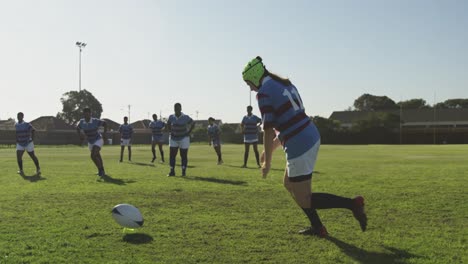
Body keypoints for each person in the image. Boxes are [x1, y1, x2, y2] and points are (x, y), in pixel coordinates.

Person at [242, 56, 367, 237]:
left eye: (249, 83)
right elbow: (289, 120)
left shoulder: (263, 92)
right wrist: (273, 148)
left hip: (299, 143)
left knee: (304, 198)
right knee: (289, 184)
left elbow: (268, 129)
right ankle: (318, 227)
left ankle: (352, 204)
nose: (250, 88)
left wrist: (267, 162)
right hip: (309, 134)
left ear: (254, 77)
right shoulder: (284, 84)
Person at [76, 108, 107, 177]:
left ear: (90, 114)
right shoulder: (81, 122)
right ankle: (101, 171)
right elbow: (77, 127)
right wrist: (80, 135)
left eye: (88, 113)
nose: (87, 115)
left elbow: (104, 123)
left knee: (93, 155)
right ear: (83, 114)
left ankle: (101, 171)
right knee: (97, 156)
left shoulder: (95, 121)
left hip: (98, 139)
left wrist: (104, 134)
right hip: (90, 142)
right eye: (85, 114)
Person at [166, 103, 195, 177]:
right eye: (175, 108)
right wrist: (170, 131)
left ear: (181, 109)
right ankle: (172, 171)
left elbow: (193, 123)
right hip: (173, 138)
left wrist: (189, 132)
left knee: (183, 155)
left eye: (178, 108)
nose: (176, 110)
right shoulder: (171, 117)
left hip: (184, 138)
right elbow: (168, 124)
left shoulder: (185, 117)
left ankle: (183, 172)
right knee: (172, 155)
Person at [15, 112, 41, 176]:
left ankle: (38, 169)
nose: (18, 117)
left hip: (28, 143)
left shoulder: (27, 124)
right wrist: (17, 139)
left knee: (32, 156)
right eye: (17, 116)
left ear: (23, 117)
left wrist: (32, 139)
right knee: (18, 157)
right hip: (20, 143)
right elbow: (17, 133)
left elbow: (33, 130)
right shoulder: (16, 125)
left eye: (20, 116)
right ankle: (21, 170)